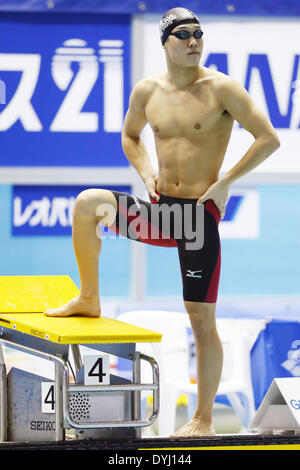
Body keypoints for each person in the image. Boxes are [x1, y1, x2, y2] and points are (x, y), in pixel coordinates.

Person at [44, 7, 280, 437]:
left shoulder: (222, 88)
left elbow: (269, 138)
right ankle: (90, 297)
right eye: (183, 35)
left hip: (196, 218)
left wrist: (226, 182)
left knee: (200, 320)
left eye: (198, 34)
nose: (193, 41)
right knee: (87, 203)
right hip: (160, 212)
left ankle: (203, 420)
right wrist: (146, 172)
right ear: (165, 43)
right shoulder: (147, 91)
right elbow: (130, 135)